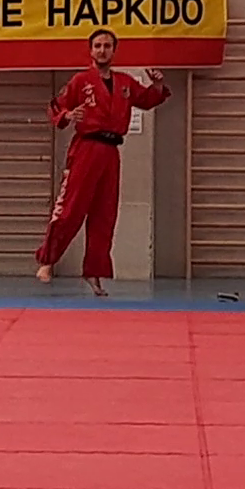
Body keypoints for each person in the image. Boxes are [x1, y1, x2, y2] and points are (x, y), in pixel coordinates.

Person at [34, 29, 172, 296]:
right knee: (70, 209)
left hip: (111, 152)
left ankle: (94, 272)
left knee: (105, 214)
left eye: (107, 46)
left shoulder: (125, 82)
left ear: (114, 51)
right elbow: (55, 106)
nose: (102, 50)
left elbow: (147, 100)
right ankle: (47, 261)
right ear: (91, 50)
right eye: (97, 45)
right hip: (86, 149)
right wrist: (68, 115)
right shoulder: (81, 81)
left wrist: (156, 85)